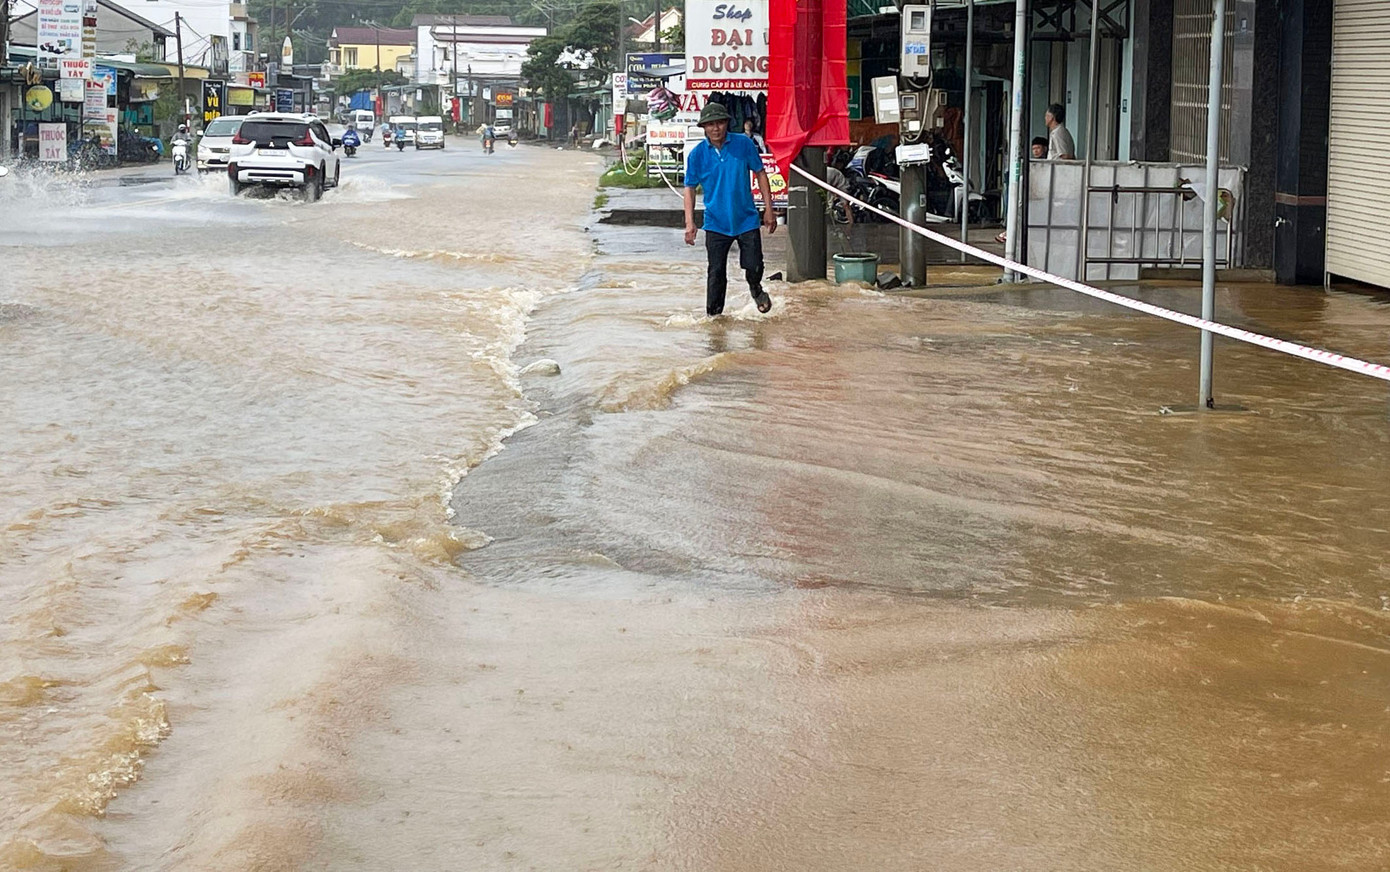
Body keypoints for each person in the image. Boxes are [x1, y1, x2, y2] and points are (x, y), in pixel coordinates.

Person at [683, 102, 776, 316]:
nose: (716, 128)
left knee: (753, 265)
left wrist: (768, 209)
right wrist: (690, 223)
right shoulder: (697, 155)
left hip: (747, 219)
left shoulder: (743, 144)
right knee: (716, 273)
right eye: (710, 124)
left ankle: (756, 288)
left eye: (720, 123)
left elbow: (761, 173)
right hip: (716, 222)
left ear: (727, 123)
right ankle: (714, 318)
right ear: (704, 127)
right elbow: (689, 188)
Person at [825, 162, 854, 228]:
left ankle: (851, 224)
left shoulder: (828, 174)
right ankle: (851, 223)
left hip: (839, 182)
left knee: (845, 205)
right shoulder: (828, 172)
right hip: (835, 181)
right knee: (846, 206)